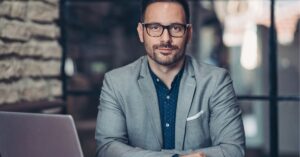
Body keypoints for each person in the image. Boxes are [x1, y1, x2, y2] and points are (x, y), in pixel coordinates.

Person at [95, 0, 245, 157]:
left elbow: (233, 150)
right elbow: (107, 148)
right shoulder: (116, 83)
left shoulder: (216, 81)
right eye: (154, 27)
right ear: (141, 32)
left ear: (189, 34)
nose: (165, 39)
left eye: (175, 28)